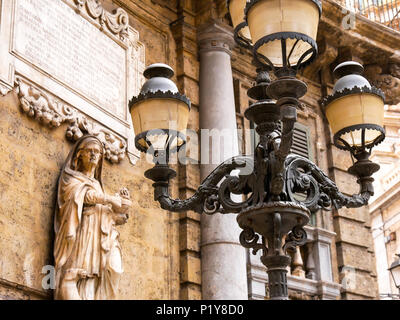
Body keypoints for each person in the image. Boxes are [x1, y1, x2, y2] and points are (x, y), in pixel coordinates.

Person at [54, 135, 130, 300]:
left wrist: (121, 212)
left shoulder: (97, 184)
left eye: (97, 152)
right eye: (90, 151)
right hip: (84, 232)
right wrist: (109, 199)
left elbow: (103, 212)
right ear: (79, 154)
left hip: (101, 236)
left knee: (114, 269)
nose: (94, 155)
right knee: (85, 275)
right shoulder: (71, 177)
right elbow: (80, 196)